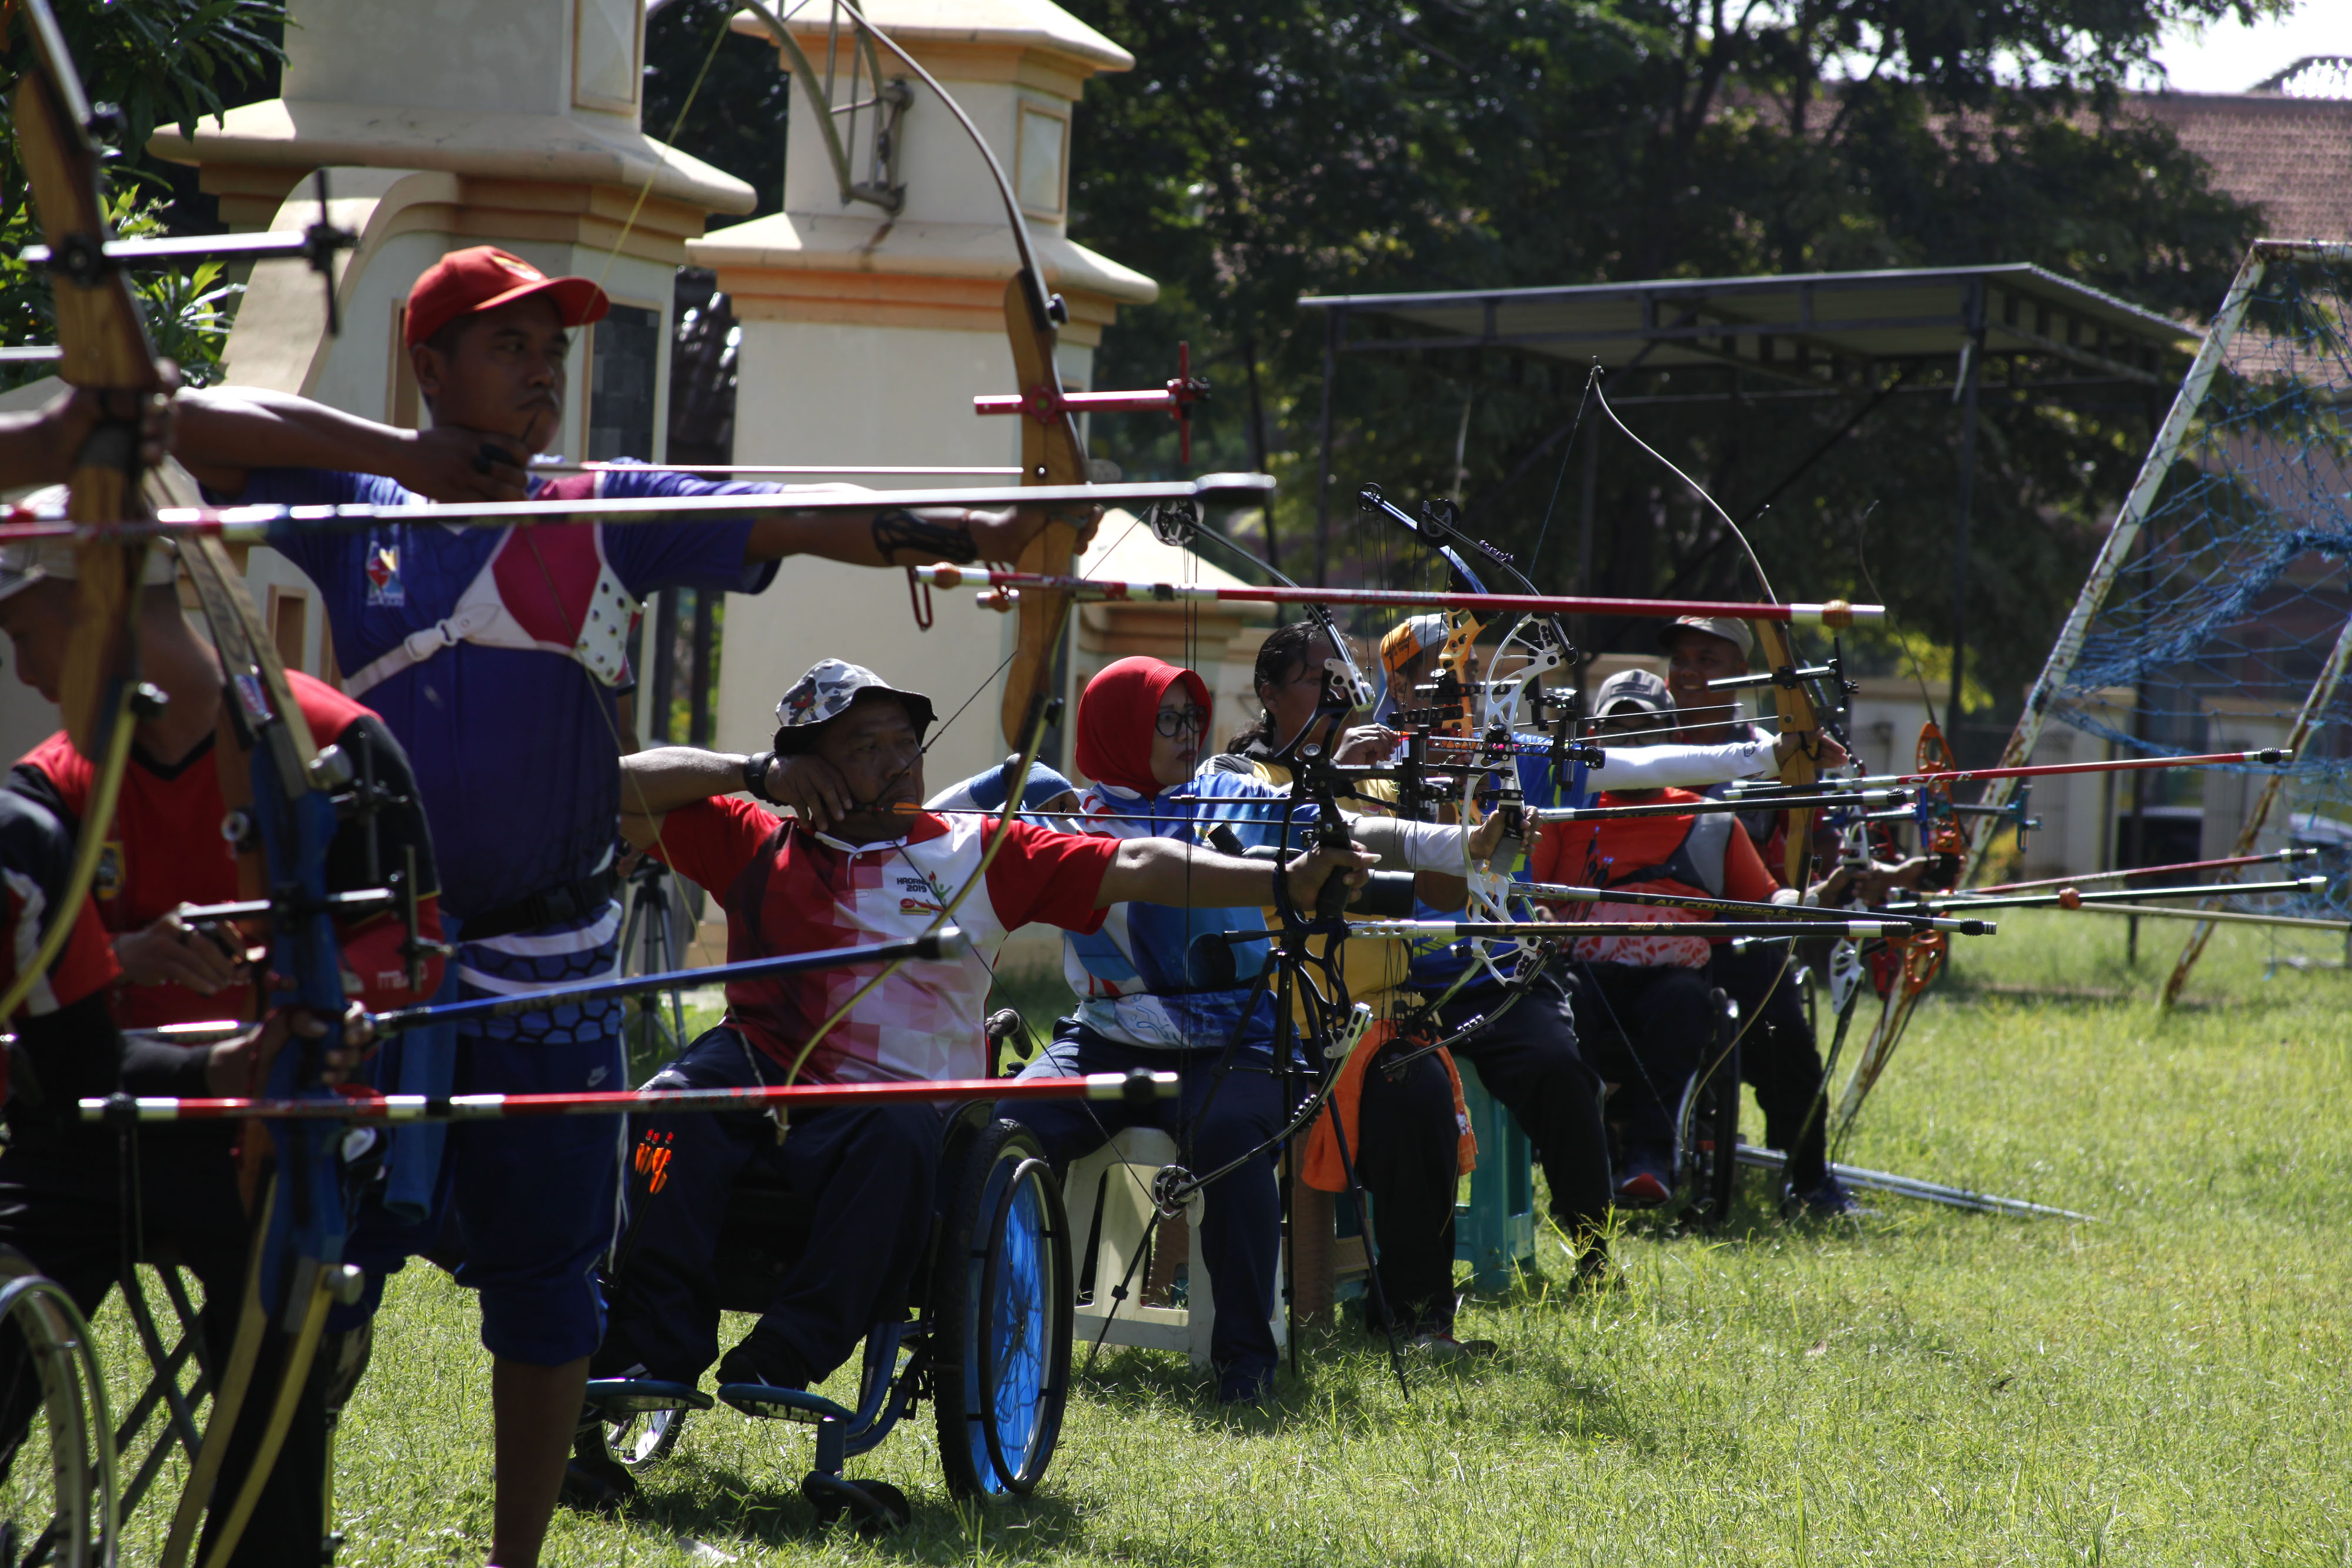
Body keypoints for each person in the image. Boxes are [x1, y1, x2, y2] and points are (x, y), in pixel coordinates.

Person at [172, 245, 1090, 1566]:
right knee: (309, 1262)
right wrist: (411, 461)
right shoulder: (364, 499)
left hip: (551, 971)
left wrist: (980, 532)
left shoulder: (599, 509)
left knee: (546, 1291)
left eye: (556, 346)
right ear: (429, 368)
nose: (545, 367)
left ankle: (516, 1560)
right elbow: (193, 421)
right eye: (508, 343)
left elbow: (785, 510)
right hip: (387, 959)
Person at [580, 660, 1368, 1470]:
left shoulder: (975, 848)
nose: (900, 761)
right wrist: (752, 773)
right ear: (805, 762)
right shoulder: (754, 843)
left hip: (900, 1104)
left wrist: (1283, 876)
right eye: (866, 745)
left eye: (906, 741)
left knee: (892, 1131)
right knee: (662, 1108)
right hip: (763, 1070)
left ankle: (789, 1349)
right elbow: (606, 785)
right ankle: (650, 1353)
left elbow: (1135, 865)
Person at [1362, 615, 1841, 1274]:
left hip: (1494, 979)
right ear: (1398, 687)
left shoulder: (1516, 759)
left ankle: (1591, 1249)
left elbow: (1644, 760)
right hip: (1390, 986)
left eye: (1464, 677)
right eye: (1432, 679)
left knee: (1563, 1070)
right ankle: (1400, 1284)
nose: (1453, 694)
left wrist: (1767, 754)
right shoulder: (1364, 768)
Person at [0, 776, 370, 1567]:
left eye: (29, 641)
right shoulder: (39, 791)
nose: (27, 671)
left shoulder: (308, 753)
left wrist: (292, 1033)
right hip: (71, 1141)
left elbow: (394, 954)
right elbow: (58, 1055)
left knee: (282, 1320)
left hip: (240, 1142)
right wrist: (120, 959)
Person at [1120, 639, 1501, 1375]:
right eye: (1315, 681)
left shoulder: (1379, 784)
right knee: (1402, 1083)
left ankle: (1417, 1312)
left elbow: (1442, 897)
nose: (1335, 696)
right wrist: (1333, 788)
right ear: (1268, 692)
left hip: (1381, 1018)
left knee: (1414, 1078)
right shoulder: (1237, 776)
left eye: (1341, 682)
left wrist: (1433, 804)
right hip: (1282, 1017)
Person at [1531, 669, 1799, 1205]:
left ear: (1670, 738)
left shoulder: (1711, 818)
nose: (1629, 739)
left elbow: (1766, 896)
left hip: (1671, 979)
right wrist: (1537, 910)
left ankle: (1651, 1157)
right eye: (1617, 729)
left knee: (1684, 1002)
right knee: (1565, 1004)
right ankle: (1594, 1150)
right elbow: (1530, 894)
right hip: (1586, 974)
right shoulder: (1565, 813)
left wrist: (1788, 902)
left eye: (1643, 728)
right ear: (1595, 740)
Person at [1662, 616, 1897, 1215]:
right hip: (1647, 938)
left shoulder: (1781, 751)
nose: (1688, 672)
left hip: (1739, 936)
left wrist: (1836, 882)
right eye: (1680, 658)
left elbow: (1817, 845)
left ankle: (1810, 1182)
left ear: (1740, 676)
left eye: (1707, 660)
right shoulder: (1642, 742)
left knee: (1788, 1046)